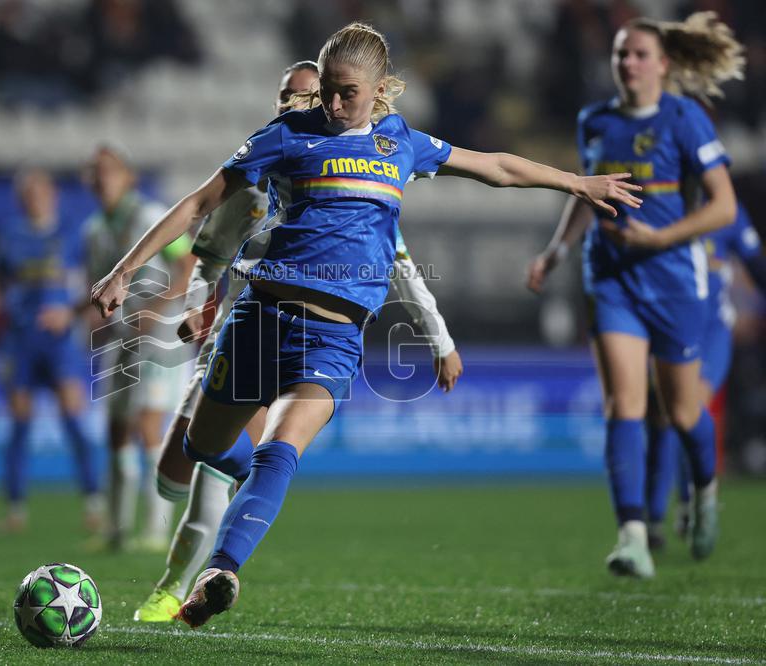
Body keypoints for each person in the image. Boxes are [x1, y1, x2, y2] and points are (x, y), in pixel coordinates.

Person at [93, 21, 638, 627]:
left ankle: (221, 570)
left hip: (334, 334)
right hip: (259, 318)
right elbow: (200, 203)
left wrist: (575, 181)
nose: (331, 103)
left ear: (379, 91)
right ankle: (244, 506)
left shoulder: (402, 143)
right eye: (326, 89)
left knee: (280, 451)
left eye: (346, 92)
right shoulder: (288, 134)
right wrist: (124, 271)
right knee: (203, 448)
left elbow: (496, 167)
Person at [132, 59, 464, 623]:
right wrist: (195, 309)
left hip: (310, 338)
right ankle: (240, 505)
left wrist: (438, 337)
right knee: (176, 470)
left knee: (227, 476)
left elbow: (402, 265)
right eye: (289, 94)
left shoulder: (353, 188)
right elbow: (206, 257)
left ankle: (176, 588)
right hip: (240, 332)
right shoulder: (256, 178)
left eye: (307, 95)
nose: (298, 103)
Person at [526, 12, 743, 578]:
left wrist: (662, 236)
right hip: (613, 275)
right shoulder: (594, 121)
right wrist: (558, 251)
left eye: (639, 54)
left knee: (683, 410)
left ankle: (705, 490)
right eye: (621, 53)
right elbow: (585, 192)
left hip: (673, 277)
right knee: (624, 405)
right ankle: (633, 536)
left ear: (663, 64)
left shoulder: (685, 118)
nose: (628, 63)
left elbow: (723, 206)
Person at [0, 168, 101, 533]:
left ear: (53, 194)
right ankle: (15, 510)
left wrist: (85, 315)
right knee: (19, 424)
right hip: (20, 337)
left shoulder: (73, 232)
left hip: (60, 340)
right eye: (28, 193)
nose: (35, 199)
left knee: (73, 418)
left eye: (40, 192)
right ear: (20, 198)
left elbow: (92, 282)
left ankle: (94, 503)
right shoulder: (8, 235)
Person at [82, 145, 194, 551]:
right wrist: (83, 315)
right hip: (121, 336)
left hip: (161, 335)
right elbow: (95, 285)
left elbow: (187, 263)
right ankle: (115, 529)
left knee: (148, 425)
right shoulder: (94, 230)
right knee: (115, 430)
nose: (102, 178)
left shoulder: (150, 217)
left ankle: (156, 529)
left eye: (110, 170)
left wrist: (159, 308)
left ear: (128, 177)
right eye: (95, 172)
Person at [644, 203, 766, 547]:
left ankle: (691, 503)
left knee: (687, 408)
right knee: (660, 417)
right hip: (666, 326)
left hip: (712, 330)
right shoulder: (657, 203)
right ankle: (652, 519)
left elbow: (757, 266)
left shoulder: (727, 211)